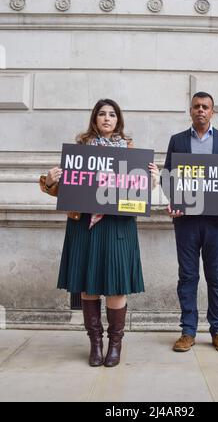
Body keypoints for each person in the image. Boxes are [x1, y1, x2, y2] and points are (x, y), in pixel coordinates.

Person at [40, 99, 158, 367]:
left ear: (118, 120)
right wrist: (50, 181)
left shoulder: (131, 153)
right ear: (94, 119)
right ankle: (95, 344)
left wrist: (151, 180)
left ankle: (115, 345)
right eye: (102, 114)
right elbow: (65, 190)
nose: (107, 118)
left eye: (112, 114)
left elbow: (139, 194)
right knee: (88, 286)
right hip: (83, 225)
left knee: (116, 286)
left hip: (117, 226)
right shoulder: (80, 151)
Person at [164, 92, 218, 354]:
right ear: (190, 110)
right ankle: (188, 331)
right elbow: (167, 177)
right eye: (196, 106)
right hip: (186, 221)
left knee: (216, 277)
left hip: (217, 222)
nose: (200, 110)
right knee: (187, 276)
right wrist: (172, 201)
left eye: (205, 107)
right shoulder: (178, 140)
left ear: (212, 112)